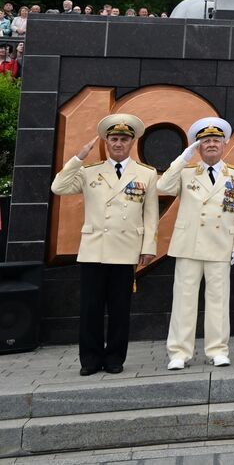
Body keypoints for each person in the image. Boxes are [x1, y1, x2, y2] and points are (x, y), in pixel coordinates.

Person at [49, 114, 158, 375]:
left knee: (120, 310)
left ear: (132, 142)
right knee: (90, 310)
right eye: (113, 138)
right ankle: (90, 359)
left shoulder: (146, 173)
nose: (118, 143)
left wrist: (148, 247)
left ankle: (114, 358)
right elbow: (58, 186)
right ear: (106, 141)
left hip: (126, 249)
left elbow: (151, 214)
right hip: (94, 249)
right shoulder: (89, 172)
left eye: (123, 139)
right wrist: (78, 157)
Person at [157, 117, 234, 370]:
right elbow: (162, 186)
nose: (211, 145)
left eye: (215, 141)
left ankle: (217, 349)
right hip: (189, 244)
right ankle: (179, 352)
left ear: (224, 145)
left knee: (219, 300)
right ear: (198, 146)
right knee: (184, 300)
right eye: (205, 141)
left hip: (220, 244)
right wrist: (183, 157)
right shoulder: (186, 173)